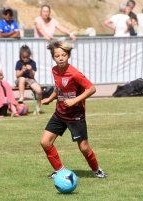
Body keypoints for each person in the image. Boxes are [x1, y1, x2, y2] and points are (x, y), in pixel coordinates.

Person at [40, 40, 107, 179]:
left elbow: (91, 88)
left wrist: (75, 100)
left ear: (68, 55)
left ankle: (97, 170)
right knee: (45, 142)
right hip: (60, 113)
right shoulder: (54, 70)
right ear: (53, 57)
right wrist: (51, 98)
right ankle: (60, 170)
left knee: (83, 148)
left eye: (63, 55)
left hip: (75, 115)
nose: (60, 58)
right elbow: (59, 88)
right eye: (57, 56)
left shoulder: (74, 73)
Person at [15, 45, 42, 114]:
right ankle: (21, 97)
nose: (25, 59)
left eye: (27, 57)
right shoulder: (19, 63)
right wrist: (22, 71)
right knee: (22, 79)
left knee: (39, 90)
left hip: (30, 79)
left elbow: (32, 76)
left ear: (29, 55)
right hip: (20, 80)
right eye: (23, 57)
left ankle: (38, 108)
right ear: (20, 56)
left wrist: (30, 70)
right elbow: (17, 75)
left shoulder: (33, 63)